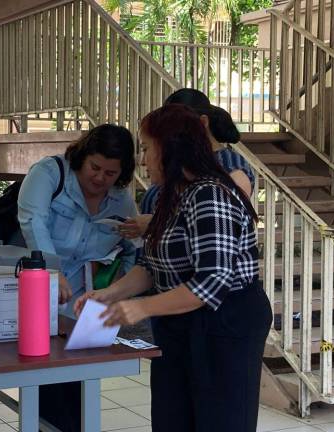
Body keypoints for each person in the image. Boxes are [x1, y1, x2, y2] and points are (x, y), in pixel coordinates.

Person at [75, 105, 272, 432]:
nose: (143, 159)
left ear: (170, 149)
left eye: (147, 148)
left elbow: (212, 280)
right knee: (172, 417)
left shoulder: (211, 194)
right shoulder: (166, 196)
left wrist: (142, 308)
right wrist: (108, 295)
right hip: (178, 320)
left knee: (218, 421)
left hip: (225, 323)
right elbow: (151, 266)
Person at [17, 124, 138, 432]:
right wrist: (51, 270)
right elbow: (33, 222)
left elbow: (133, 247)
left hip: (87, 308)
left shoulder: (121, 199)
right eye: (94, 167)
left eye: (110, 173)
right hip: (39, 297)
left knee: (80, 387)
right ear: (82, 157)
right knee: (43, 384)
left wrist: (118, 288)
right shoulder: (50, 174)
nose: (100, 178)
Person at [119, 88, 255, 240]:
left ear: (203, 123)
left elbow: (222, 226)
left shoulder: (230, 168)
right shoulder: (176, 170)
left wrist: (157, 224)